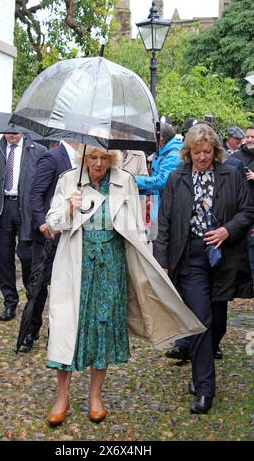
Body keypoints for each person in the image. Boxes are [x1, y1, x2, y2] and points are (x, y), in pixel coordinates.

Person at [44, 144, 205, 426]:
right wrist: (70, 207)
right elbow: (52, 224)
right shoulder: (69, 179)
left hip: (111, 266)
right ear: (84, 157)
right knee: (67, 328)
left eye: (104, 158)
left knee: (103, 328)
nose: (98, 163)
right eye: (93, 158)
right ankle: (62, 397)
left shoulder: (125, 181)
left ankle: (96, 398)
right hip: (75, 264)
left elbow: (135, 230)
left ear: (113, 159)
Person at [153, 124, 254, 414]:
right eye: (196, 152)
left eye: (207, 152)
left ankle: (201, 364)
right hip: (191, 257)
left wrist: (226, 231)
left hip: (223, 257)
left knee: (217, 323)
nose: (201, 157)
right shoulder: (176, 178)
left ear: (216, 151)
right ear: (188, 152)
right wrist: (163, 261)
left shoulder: (231, 175)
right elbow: (165, 222)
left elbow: (248, 211)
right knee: (201, 321)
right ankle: (204, 387)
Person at [19, 140, 79, 352]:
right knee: (39, 286)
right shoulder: (53, 157)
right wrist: (42, 222)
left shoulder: (83, 162)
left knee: (64, 285)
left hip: (70, 232)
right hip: (47, 234)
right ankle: (31, 330)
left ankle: (58, 332)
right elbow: (35, 193)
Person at [0, 133, 46, 321]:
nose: (11, 135)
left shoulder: (37, 151)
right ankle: (10, 301)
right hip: (3, 208)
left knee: (27, 255)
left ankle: (31, 297)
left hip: (26, 208)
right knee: (4, 258)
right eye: (8, 131)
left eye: (15, 131)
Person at [135, 123, 182, 241]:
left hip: (167, 212)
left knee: (162, 246)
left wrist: (135, 180)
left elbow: (162, 181)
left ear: (160, 138)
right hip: (158, 208)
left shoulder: (173, 154)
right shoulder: (160, 151)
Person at [232, 125, 254, 281]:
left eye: (253, 137)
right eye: (247, 137)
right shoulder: (237, 156)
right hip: (240, 208)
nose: (249, 140)